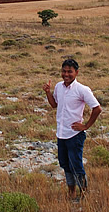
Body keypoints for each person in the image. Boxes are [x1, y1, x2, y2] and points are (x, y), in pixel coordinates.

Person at [43, 57, 102, 201]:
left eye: (70, 72)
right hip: (61, 134)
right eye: (64, 71)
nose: (66, 74)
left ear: (76, 72)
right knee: (65, 164)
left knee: (76, 164)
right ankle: (71, 193)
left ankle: (83, 195)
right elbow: (54, 105)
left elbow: (97, 108)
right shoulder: (58, 87)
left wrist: (86, 126)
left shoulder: (82, 90)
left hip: (75, 135)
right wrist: (48, 92)